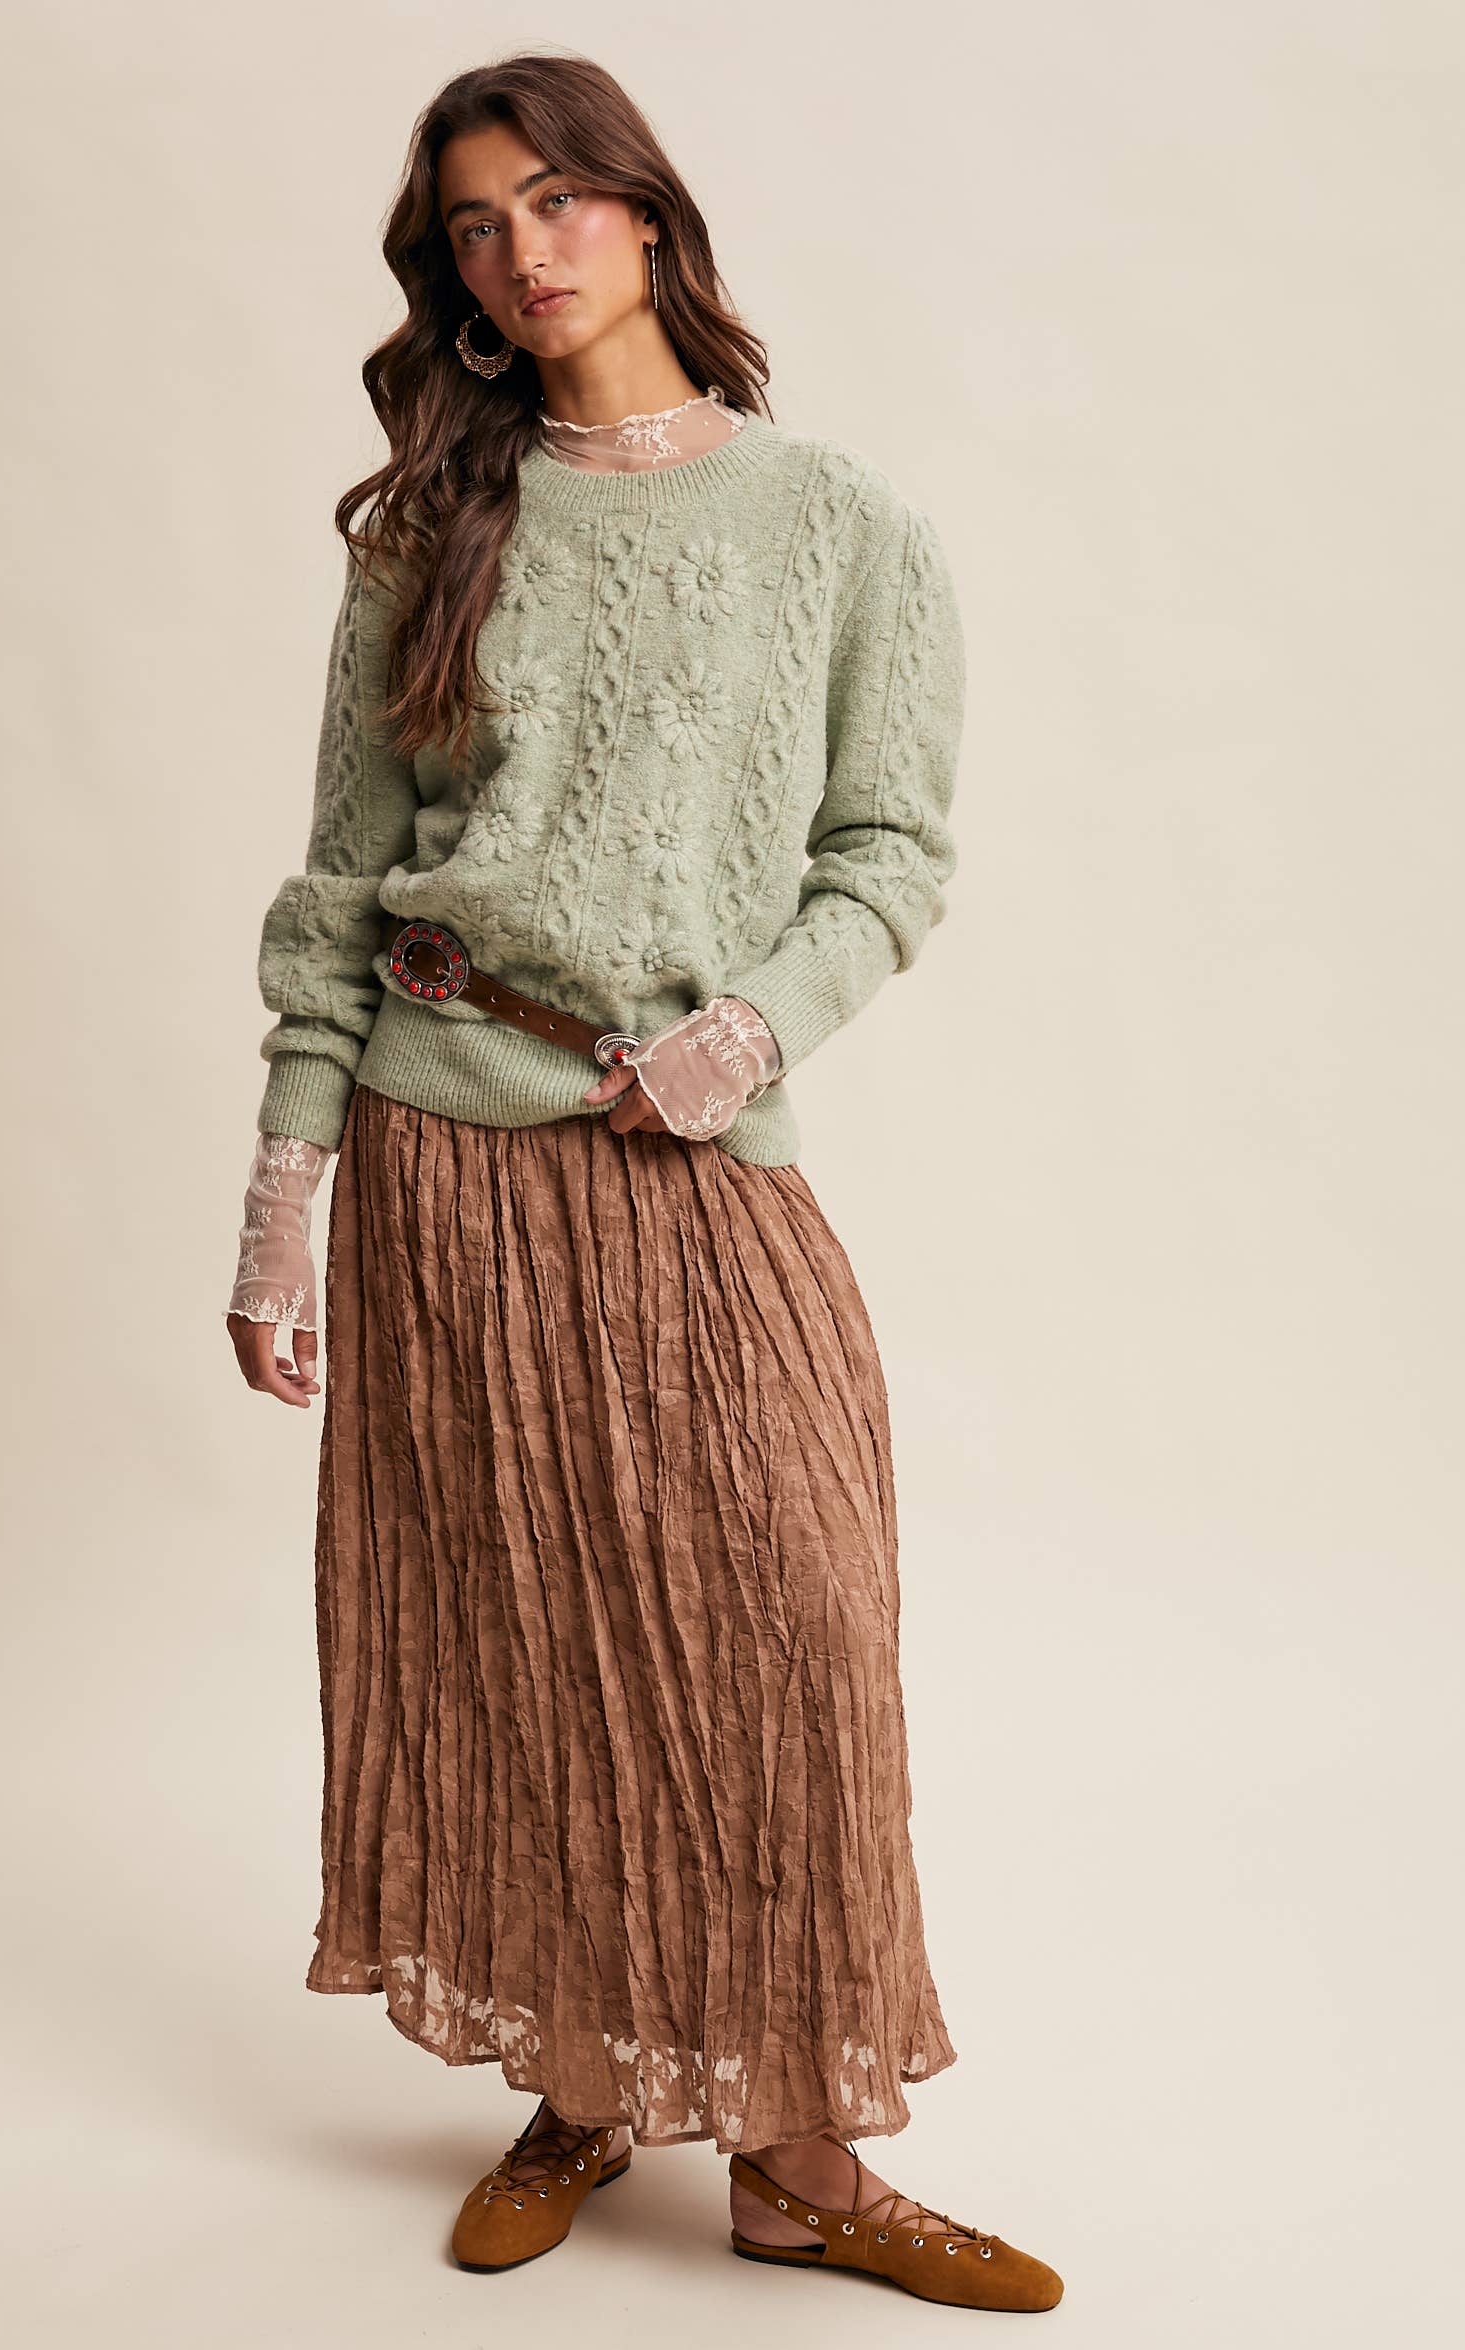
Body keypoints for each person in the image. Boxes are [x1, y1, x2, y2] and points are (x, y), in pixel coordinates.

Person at [225, 50, 1062, 2315]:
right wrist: (287, 1186)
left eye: (557, 198)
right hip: (440, 1156)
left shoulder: (837, 523)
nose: (521, 248)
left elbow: (886, 855)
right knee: (519, 1647)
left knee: (792, 1635)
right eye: (474, 226)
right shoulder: (426, 531)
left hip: (689, 1155)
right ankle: (586, 2082)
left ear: (650, 214)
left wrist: (748, 1031)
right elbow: (343, 879)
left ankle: (802, 2159)